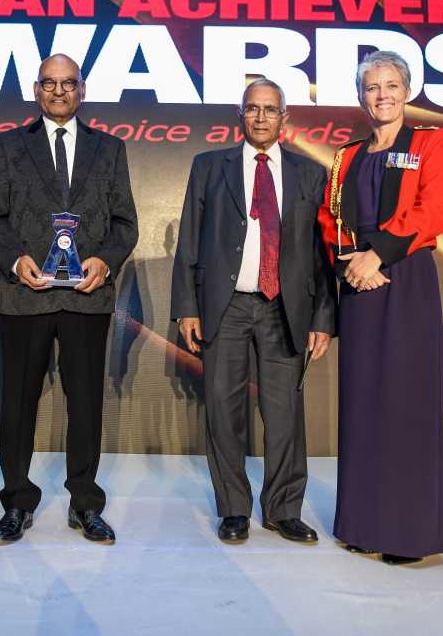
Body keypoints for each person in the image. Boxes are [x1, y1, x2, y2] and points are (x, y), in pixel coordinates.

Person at [0, 54, 138, 545]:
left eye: (67, 83)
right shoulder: (8, 146)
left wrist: (104, 261)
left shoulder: (110, 149)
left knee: (86, 405)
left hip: (86, 299)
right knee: (17, 407)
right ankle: (17, 502)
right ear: (36, 89)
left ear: (82, 89)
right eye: (49, 83)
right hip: (25, 296)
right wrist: (15, 262)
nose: (58, 91)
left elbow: (123, 223)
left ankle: (85, 504)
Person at [171, 79, 336, 545]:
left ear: (285, 119)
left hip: (285, 309)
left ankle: (284, 510)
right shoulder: (209, 167)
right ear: (239, 116)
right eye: (252, 109)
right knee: (223, 411)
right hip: (225, 307)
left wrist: (323, 317)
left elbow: (321, 254)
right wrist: (186, 306)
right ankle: (234, 509)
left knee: (284, 413)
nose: (261, 117)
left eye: (270, 110)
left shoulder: (309, 174)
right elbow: (190, 240)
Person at [317, 50, 443, 565]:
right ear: (360, 96)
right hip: (358, 282)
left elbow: (434, 209)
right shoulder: (346, 155)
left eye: (392, 85)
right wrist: (352, 264)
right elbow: (329, 218)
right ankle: (362, 524)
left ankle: (407, 533)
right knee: (363, 401)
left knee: (406, 402)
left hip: (406, 280)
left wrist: (379, 255)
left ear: (408, 90)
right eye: (373, 87)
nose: (383, 95)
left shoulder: (430, 143)